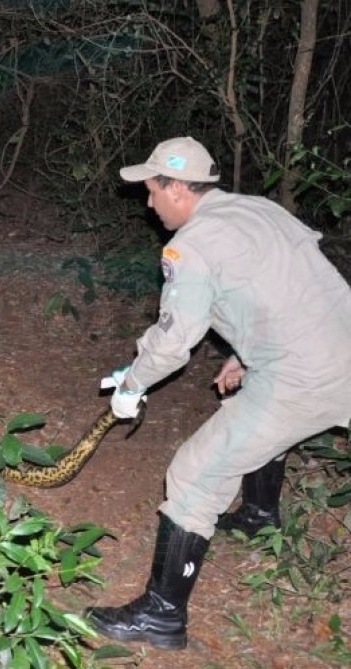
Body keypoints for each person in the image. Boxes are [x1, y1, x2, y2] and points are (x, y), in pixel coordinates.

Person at [85, 137, 351, 650]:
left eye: (153, 190)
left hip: (304, 374)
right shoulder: (257, 209)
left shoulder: (192, 246)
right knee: (248, 410)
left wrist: (132, 384)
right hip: (341, 346)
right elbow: (292, 285)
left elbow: (173, 342)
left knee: (193, 471)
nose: (148, 202)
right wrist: (246, 352)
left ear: (179, 188)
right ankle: (257, 515)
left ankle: (161, 616)